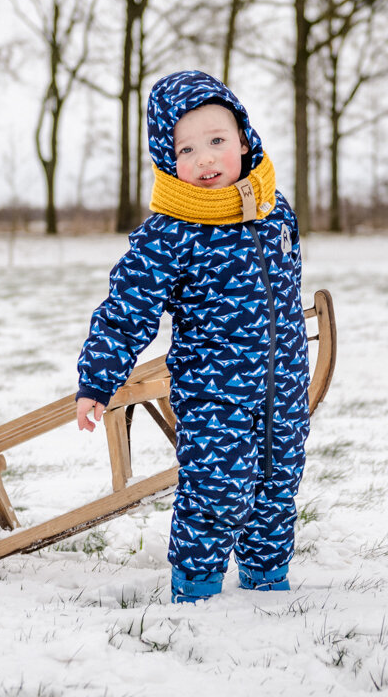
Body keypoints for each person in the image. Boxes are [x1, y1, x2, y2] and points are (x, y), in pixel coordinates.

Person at [75, 70, 310, 604]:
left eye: (217, 141)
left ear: (244, 140)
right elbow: (126, 309)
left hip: (284, 385)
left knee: (277, 482)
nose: (205, 159)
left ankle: (267, 578)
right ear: (167, 159)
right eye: (187, 148)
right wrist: (97, 380)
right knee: (218, 485)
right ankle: (197, 585)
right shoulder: (170, 231)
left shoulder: (276, 211)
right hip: (215, 388)